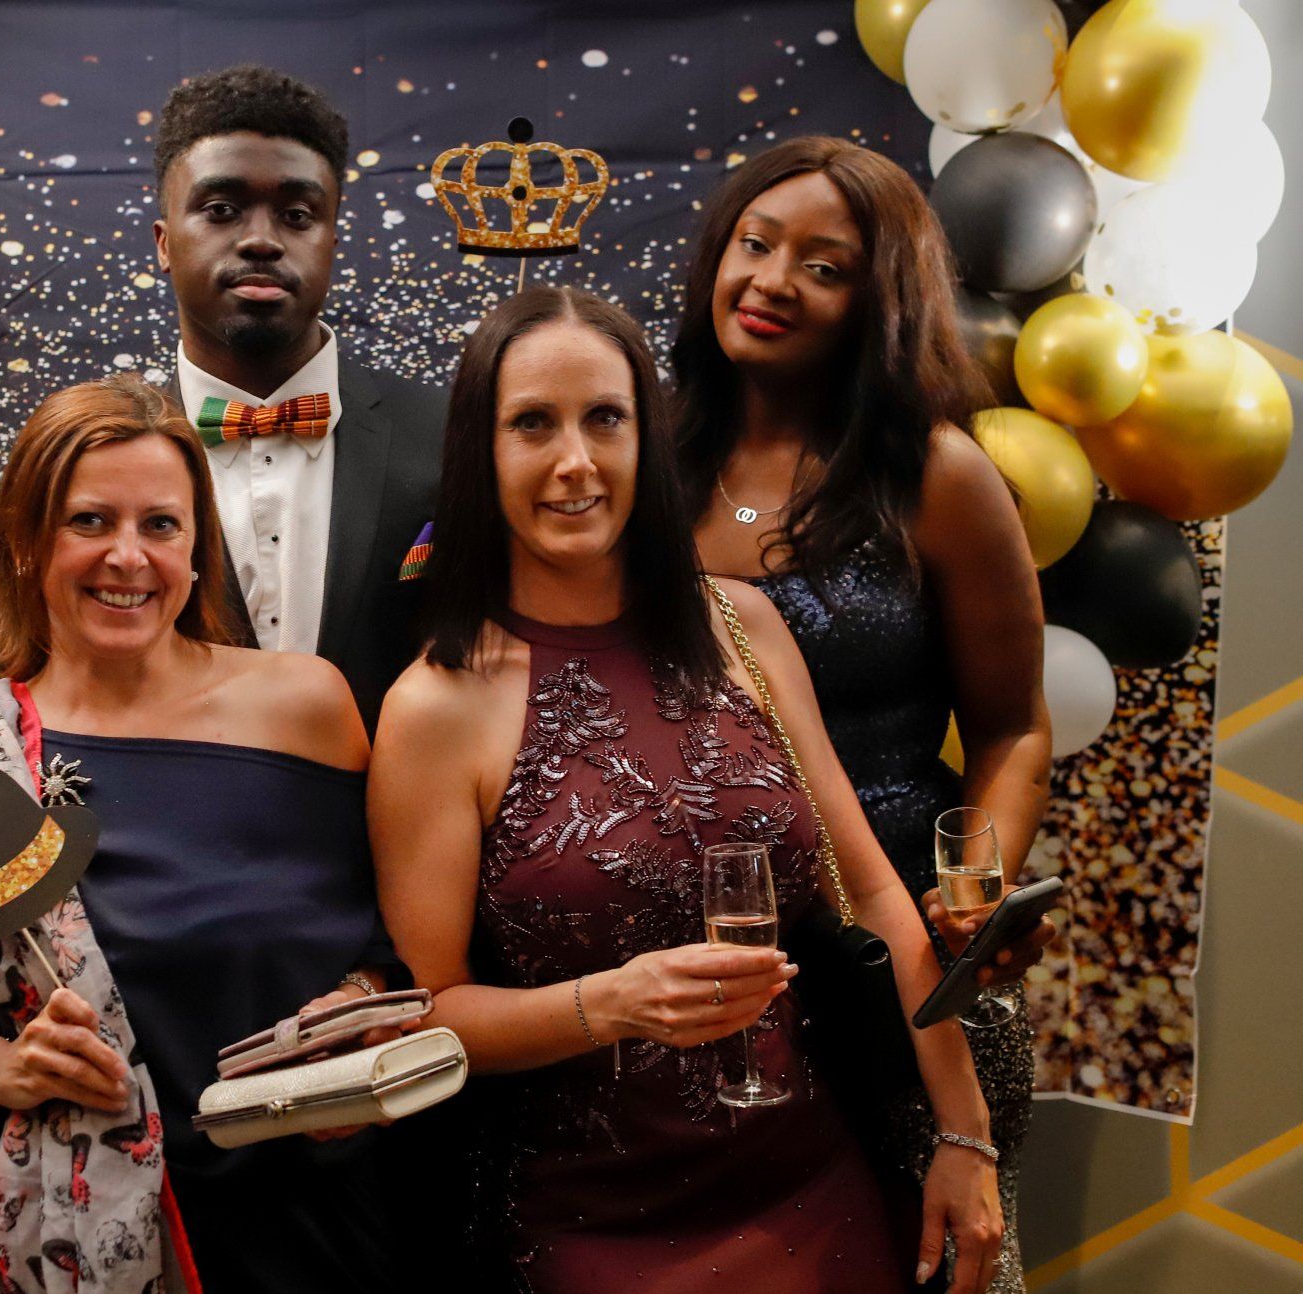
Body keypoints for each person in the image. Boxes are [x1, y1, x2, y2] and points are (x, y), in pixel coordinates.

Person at [371, 286, 1005, 1294]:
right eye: (532, 423)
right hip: (586, 1221)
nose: (575, 461)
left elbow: (869, 894)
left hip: (815, 1182)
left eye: (605, 418)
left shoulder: (743, 627)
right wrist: (608, 1003)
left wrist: (966, 1133)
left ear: (647, 438)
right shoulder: (436, 706)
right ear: (478, 454)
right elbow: (430, 1015)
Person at [0, 375, 403, 1294]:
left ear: (197, 550)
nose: (128, 557)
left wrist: (357, 1014)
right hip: (67, 1234)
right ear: (27, 541)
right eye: (89, 522)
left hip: (310, 1216)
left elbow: (387, 945)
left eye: (161, 524)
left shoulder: (306, 706)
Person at [671, 136, 1052, 1292]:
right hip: (709, 985)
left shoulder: (936, 474)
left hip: (904, 986)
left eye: (824, 266)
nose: (772, 280)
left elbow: (1015, 728)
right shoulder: (643, 465)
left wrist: (977, 889)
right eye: (755, 242)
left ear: (880, 300)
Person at [152, 64, 446, 734]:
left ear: (332, 242)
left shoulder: (450, 436)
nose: (261, 239)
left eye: (297, 215)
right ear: (165, 244)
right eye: (221, 210)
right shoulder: (103, 458)